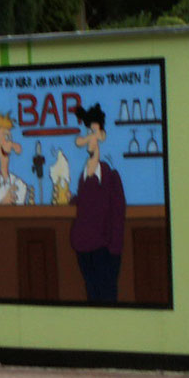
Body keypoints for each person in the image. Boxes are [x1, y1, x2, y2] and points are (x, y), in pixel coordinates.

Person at [68, 104, 126, 303]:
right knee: (91, 294)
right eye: (87, 132)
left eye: (92, 132)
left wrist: (114, 251)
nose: (88, 138)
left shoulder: (110, 176)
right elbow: (87, 202)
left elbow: (118, 214)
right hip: (83, 246)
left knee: (107, 296)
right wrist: (70, 199)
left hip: (104, 249)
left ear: (102, 135)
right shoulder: (84, 175)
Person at [0, 114, 32, 205]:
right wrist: (3, 202)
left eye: (7, 138)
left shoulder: (19, 183)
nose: (6, 143)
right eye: (3, 138)